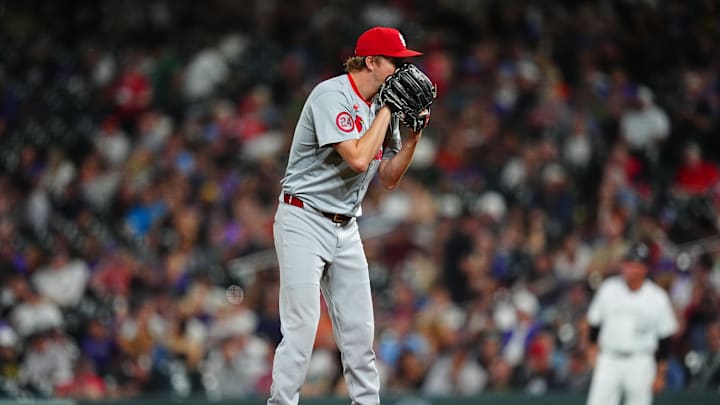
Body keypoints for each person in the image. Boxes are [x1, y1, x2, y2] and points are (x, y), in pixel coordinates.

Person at [267, 26, 429, 405]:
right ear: (371, 61)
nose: (404, 72)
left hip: (346, 226)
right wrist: (389, 109)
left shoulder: (380, 106)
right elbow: (358, 159)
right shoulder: (331, 95)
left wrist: (414, 137)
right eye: (396, 62)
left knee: (360, 334)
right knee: (302, 329)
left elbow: (387, 176)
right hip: (303, 219)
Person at [585, 241, 678, 405]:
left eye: (632, 263)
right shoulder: (609, 288)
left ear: (644, 268)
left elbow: (664, 339)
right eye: (626, 262)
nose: (626, 267)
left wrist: (660, 374)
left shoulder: (657, 297)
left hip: (640, 360)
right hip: (609, 358)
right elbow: (594, 322)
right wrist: (592, 347)